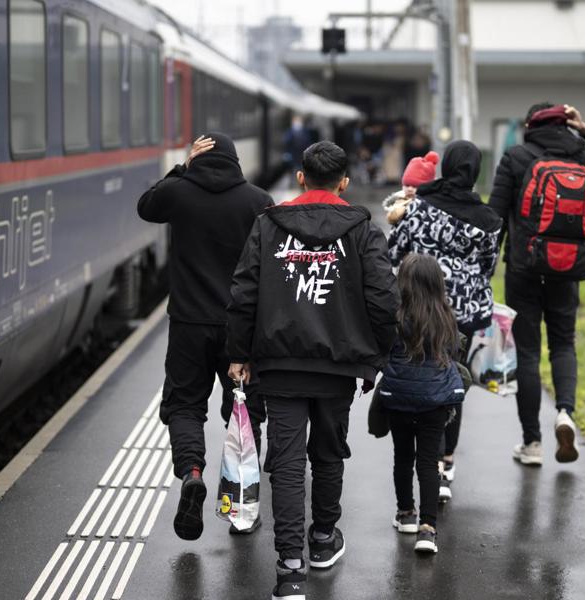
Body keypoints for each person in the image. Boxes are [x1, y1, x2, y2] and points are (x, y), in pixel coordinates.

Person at [225, 141, 398, 600]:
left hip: (279, 364)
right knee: (328, 452)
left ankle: (290, 569)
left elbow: (244, 292)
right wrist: (375, 356)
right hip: (339, 365)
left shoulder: (268, 224)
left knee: (285, 463)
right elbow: (384, 298)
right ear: (344, 182)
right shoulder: (363, 229)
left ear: (301, 177)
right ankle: (322, 540)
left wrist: (239, 352)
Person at [137, 132, 273, 541]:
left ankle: (192, 473)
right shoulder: (257, 201)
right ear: (236, 161)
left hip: (188, 325)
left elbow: (147, 205)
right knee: (243, 414)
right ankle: (241, 508)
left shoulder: (179, 193)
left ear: (198, 159)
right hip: (240, 328)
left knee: (184, 406)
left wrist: (182, 167)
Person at [487, 103, 585, 466]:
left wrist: (487, 267)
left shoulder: (516, 157)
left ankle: (532, 443)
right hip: (568, 267)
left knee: (527, 353)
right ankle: (565, 413)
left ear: (529, 125)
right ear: (566, 123)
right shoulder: (581, 157)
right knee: (563, 344)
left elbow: (496, 217)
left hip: (525, 268)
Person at [387, 140, 503, 500]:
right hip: (464, 316)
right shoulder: (489, 219)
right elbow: (489, 268)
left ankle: (427, 461)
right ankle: (445, 460)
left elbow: (394, 250)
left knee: (418, 378)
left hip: (420, 307)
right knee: (453, 385)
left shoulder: (421, 207)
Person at [378, 254, 466, 555]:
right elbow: (454, 349)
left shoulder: (395, 315)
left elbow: (384, 348)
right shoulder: (445, 316)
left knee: (402, 457)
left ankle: (406, 515)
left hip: (399, 398)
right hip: (435, 400)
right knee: (428, 461)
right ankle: (428, 529)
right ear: (437, 283)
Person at [381, 150, 439, 226]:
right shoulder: (400, 199)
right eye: (407, 185)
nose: (410, 189)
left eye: (415, 186)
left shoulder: (432, 204)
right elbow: (390, 219)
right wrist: (396, 212)